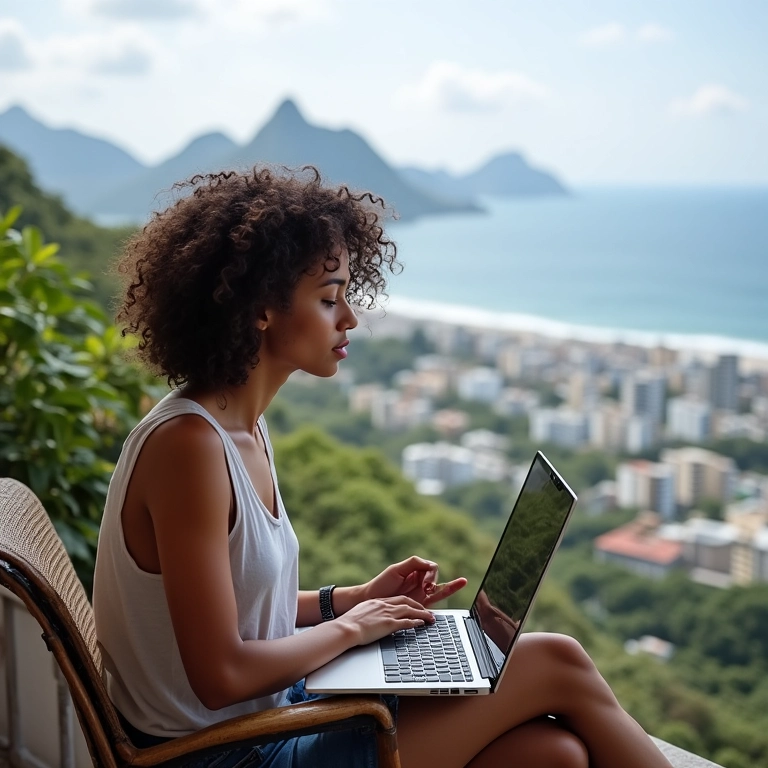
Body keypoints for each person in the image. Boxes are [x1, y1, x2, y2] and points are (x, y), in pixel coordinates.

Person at [93, 166, 673, 768]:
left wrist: (354, 599)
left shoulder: (241, 429)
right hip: (219, 756)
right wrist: (355, 628)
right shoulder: (190, 447)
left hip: (260, 720)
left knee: (552, 754)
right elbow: (220, 673)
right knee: (557, 660)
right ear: (262, 307)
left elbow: (240, 608)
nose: (349, 319)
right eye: (328, 298)